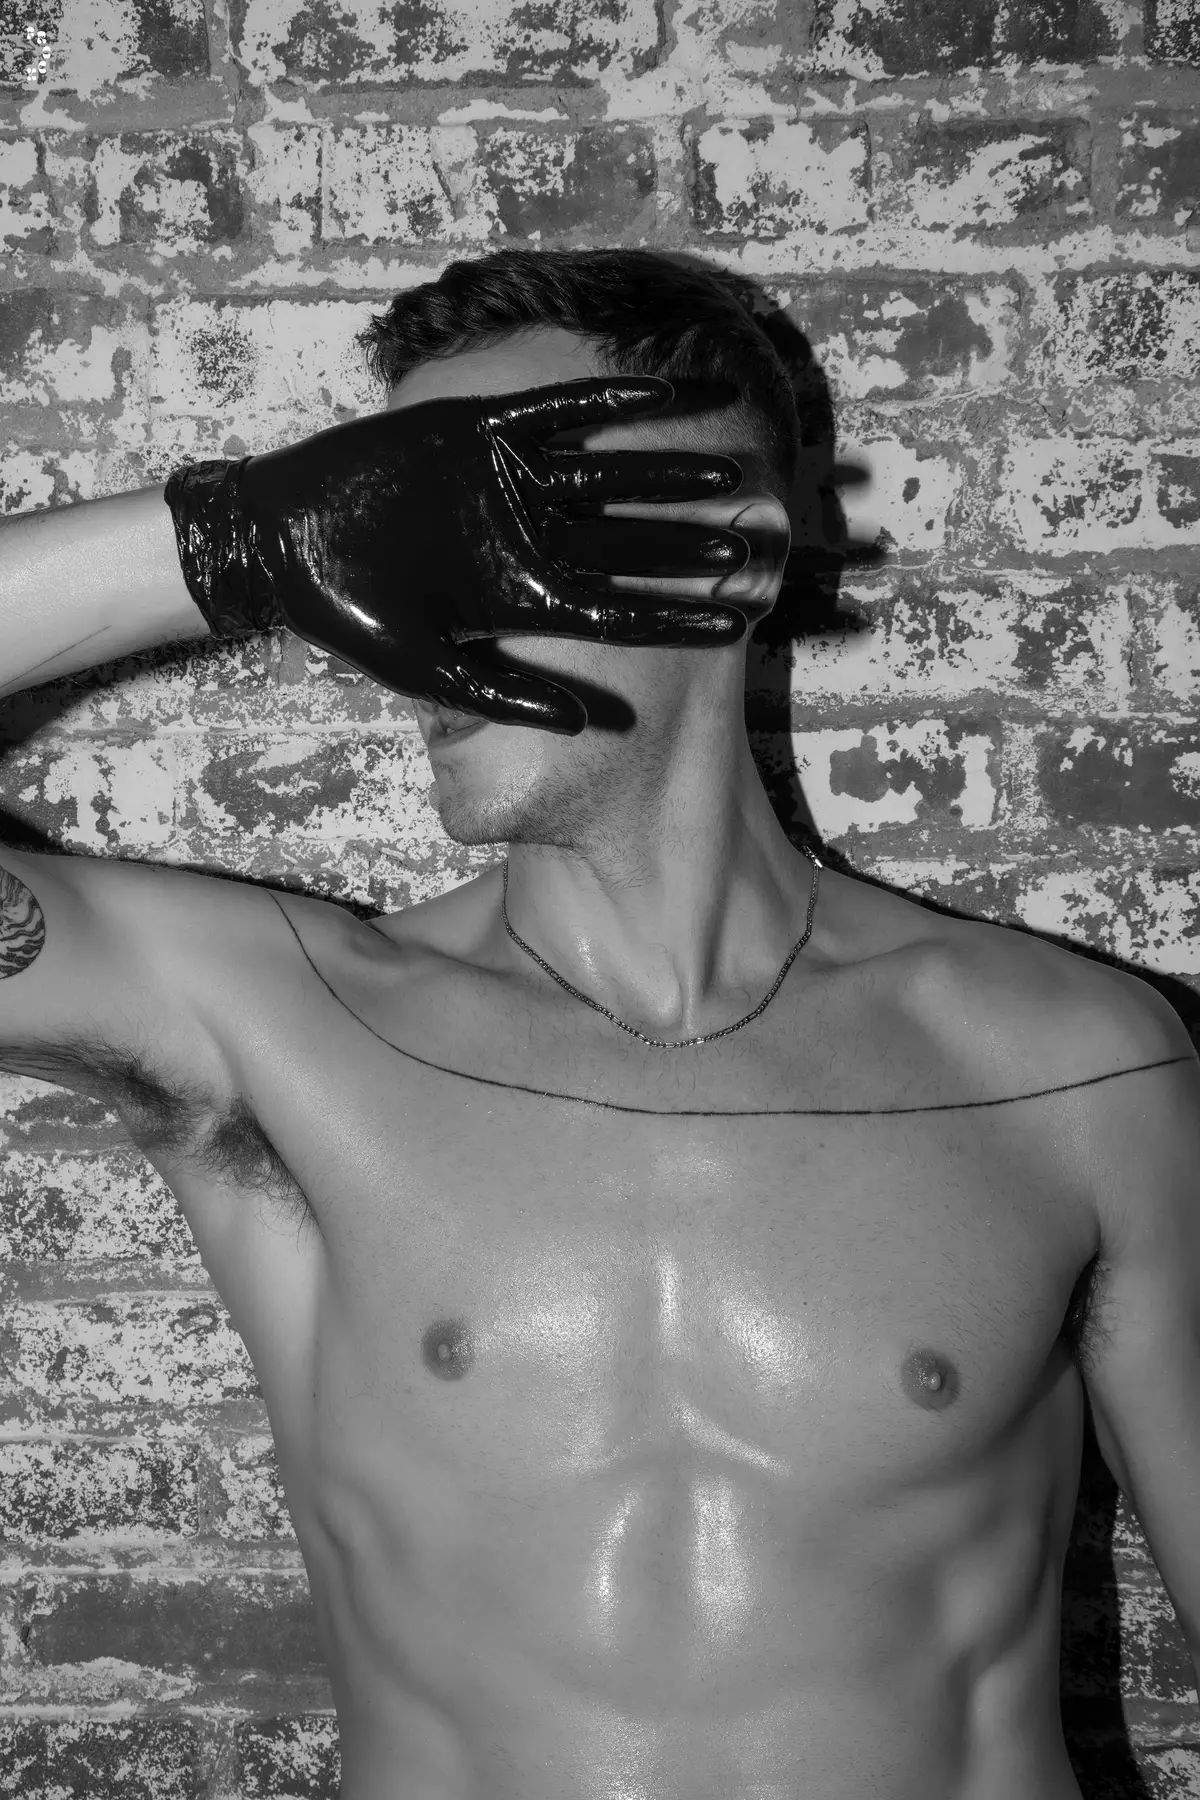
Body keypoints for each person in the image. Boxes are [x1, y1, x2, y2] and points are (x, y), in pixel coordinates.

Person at [2, 246, 1199, 1800]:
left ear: (726, 560)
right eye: (394, 527)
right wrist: (240, 534)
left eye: (488, 521)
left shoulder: (1076, 1069)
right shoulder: (282, 1029)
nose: (412, 607)